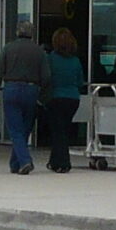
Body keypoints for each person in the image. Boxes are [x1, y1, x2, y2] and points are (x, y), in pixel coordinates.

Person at [0, 24, 47, 175]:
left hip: (11, 89)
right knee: (25, 127)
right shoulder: (39, 51)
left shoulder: (8, 48)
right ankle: (15, 163)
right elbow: (46, 76)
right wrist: (43, 94)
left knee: (15, 128)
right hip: (32, 90)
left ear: (17, 33)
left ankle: (24, 161)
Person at [42, 27, 84, 173]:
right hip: (73, 99)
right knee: (63, 129)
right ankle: (55, 161)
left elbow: (45, 78)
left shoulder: (50, 59)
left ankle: (63, 162)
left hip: (56, 97)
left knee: (57, 131)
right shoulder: (76, 61)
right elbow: (80, 82)